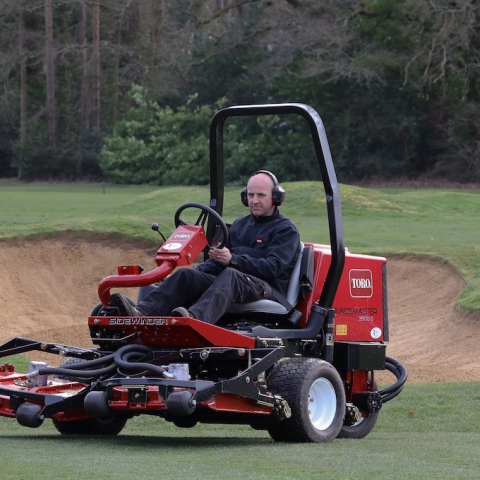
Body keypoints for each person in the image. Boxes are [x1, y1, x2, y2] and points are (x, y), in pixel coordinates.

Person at [109, 170, 301, 324]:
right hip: (234, 284)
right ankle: (139, 314)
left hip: (267, 288)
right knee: (187, 275)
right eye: (250, 195)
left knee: (231, 275)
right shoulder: (240, 225)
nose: (254, 200)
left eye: (261, 195)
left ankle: (193, 321)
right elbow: (218, 262)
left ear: (275, 197)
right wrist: (195, 272)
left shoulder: (285, 230)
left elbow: (273, 268)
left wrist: (233, 259)